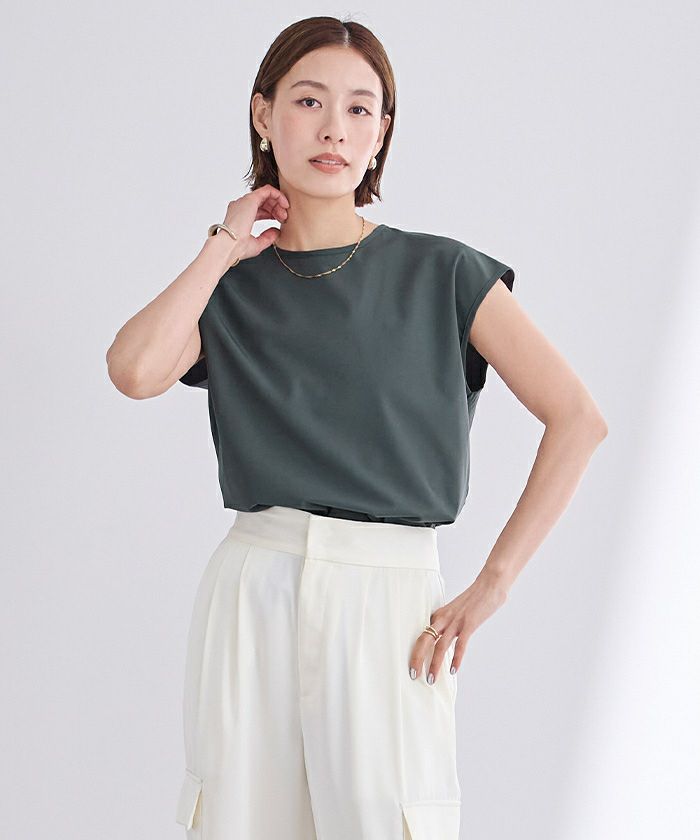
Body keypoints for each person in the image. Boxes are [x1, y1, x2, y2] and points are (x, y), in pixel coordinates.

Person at [106, 15, 607, 840]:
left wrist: (495, 581)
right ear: (264, 114)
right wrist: (223, 244)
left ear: (381, 133)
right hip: (255, 586)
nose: (334, 128)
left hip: (390, 600)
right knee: (235, 821)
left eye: (360, 108)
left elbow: (578, 418)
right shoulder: (230, 288)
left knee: (388, 821)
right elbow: (133, 372)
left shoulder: (444, 271)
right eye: (309, 101)